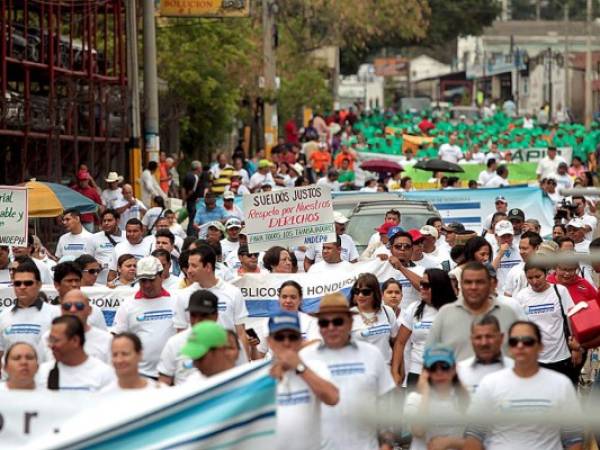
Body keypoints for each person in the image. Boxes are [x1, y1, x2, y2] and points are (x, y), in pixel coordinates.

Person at [464, 321, 584, 450]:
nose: (520, 346)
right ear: (509, 347)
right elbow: (474, 433)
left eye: (528, 341)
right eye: (514, 342)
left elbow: (573, 437)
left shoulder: (561, 384)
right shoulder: (489, 383)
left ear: (541, 346)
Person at [300, 293, 396, 450]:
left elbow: (386, 406)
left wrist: (386, 445)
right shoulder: (305, 359)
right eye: (324, 323)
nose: (331, 327)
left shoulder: (372, 354)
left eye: (337, 321)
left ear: (350, 322)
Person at [268, 311, 339, 450]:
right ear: (270, 341)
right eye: (280, 337)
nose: (286, 342)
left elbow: (333, 398)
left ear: (300, 340)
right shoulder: (258, 374)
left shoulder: (316, 367)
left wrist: (300, 367)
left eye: (292, 337)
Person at [427, 262, 519, 360]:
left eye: (479, 282)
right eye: (468, 282)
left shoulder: (508, 313)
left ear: (492, 283)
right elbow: (430, 358)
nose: (473, 287)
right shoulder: (445, 314)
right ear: (460, 284)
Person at [173, 246, 249, 357]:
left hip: (228, 362)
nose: (188, 270)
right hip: (196, 363)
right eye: (189, 265)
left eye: (194, 266)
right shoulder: (182, 296)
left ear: (208, 267)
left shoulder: (233, 292)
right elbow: (181, 334)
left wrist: (244, 365)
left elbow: (241, 333)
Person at [515, 262, 581, 384]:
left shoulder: (560, 291)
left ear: (545, 274)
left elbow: (572, 319)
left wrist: (576, 348)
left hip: (562, 356)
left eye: (538, 276)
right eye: (530, 278)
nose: (534, 281)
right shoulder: (521, 297)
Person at [113, 256, 176, 379]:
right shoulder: (127, 305)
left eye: (151, 280)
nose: (147, 285)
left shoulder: (176, 300)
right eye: (143, 281)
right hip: (141, 375)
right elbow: (117, 339)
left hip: (173, 373)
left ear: (161, 276)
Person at [392, 268, 456, 387]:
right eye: (421, 284)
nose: (421, 288)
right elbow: (400, 342)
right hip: (417, 372)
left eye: (426, 285)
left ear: (439, 287)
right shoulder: (414, 308)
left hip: (446, 373)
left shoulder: (455, 310)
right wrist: (395, 371)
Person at [403, 345, 468, 450]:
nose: (439, 372)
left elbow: (478, 441)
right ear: (425, 371)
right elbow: (418, 430)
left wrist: (449, 442)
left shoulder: (462, 398)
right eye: (433, 368)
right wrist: (425, 393)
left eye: (444, 367)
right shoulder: (414, 399)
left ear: (453, 369)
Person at [36, 315, 116, 391]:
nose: (51, 346)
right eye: (50, 340)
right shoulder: (42, 373)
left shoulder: (104, 375)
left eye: (56, 341)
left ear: (75, 341)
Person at [0, 264, 60, 363]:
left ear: (39, 285)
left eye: (28, 283)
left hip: (43, 376)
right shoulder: (3, 316)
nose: (22, 287)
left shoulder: (55, 314)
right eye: (17, 283)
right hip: (11, 377)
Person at [158, 290, 220, 385]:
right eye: (193, 315)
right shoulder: (175, 343)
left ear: (215, 316)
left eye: (204, 316)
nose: (197, 321)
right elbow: (163, 383)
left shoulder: (230, 343)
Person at [252, 280, 321, 360]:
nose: (288, 301)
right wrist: (253, 347)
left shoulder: (311, 321)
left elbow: (316, 348)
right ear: (279, 299)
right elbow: (259, 357)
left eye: (293, 297)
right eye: (284, 297)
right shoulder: (268, 321)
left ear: (300, 300)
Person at [43, 289, 112, 363]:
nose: (72, 310)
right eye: (67, 306)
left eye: (79, 306)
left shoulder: (107, 340)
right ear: (61, 310)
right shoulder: (47, 338)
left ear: (89, 310)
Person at [456, 315, 514, 394]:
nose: (484, 343)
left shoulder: (516, 368)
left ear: (501, 338)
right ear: (471, 340)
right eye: (478, 338)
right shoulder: (459, 372)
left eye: (489, 336)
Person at [348, 273, 398, 365]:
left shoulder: (387, 311)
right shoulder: (348, 316)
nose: (360, 295)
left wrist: (396, 370)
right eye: (357, 291)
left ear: (375, 293)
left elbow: (397, 344)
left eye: (365, 292)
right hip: (362, 372)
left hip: (386, 370)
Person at [52, 261, 107, 330]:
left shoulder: (94, 311)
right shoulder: (48, 311)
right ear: (57, 284)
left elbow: (102, 337)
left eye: (77, 280)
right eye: (69, 281)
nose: (74, 284)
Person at [379, 231, 425, 309]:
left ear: (412, 250)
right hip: (387, 318)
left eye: (407, 246)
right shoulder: (381, 269)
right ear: (391, 249)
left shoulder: (421, 270)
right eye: (398, 246)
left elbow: (424, 287)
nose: (402, 249)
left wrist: (401, 268)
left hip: (412, 319)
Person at [503, 231, 542, 297]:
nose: (521, 252)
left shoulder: (547, 269)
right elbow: (507, 296)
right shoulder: (514, 270)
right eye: (520, 248)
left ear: (537, 248)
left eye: (524, 248)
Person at [92, 209, 124, 285]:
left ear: (117, 221)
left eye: (109, 220)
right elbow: (87, 258)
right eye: (104, 221)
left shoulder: (127, 236)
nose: (106, 223)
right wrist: (95, 264)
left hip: (122, 283)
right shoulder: (93, 238)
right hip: (98, 284)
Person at [491, 220, 522, 294]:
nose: (506, 239)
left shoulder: (520, 249)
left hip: (518, 293)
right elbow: (489, 272)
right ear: (496, 236)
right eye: (503, 236)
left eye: (509, 236)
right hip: (500, 293)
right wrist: (500, 255)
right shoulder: (491, 251)